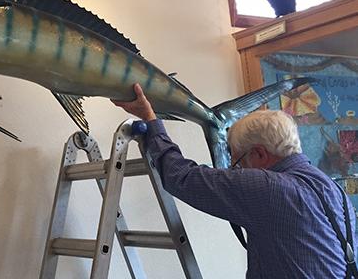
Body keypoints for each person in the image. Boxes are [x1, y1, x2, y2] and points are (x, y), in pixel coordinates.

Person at [113, 83, 357, 278]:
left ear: (260, 153)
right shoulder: (332, 188)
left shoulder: (269, 188)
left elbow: (181, 177)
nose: (233, 168)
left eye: (237, 160)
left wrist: (150, 120)